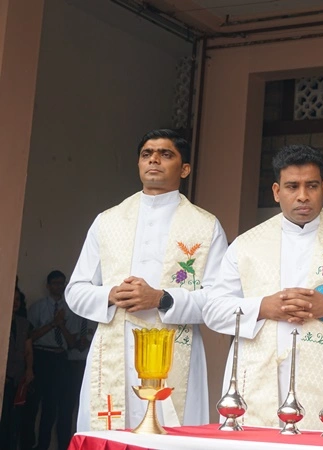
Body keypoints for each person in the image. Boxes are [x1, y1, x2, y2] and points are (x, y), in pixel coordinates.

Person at [204, 144, 323, 429]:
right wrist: (263, 307)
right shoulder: (245, 245)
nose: (303, 195)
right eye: (292, 186)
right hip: (256, 381)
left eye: (311, 186)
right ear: (277, 191)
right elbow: (213, 310)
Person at [65, 129, 228, 431]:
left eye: (166, 154)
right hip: (116, 348)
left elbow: (220, 301)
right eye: (146, 154)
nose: (154, 159)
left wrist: (162, 299)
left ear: (185, 169)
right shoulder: (107, 221)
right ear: (139, 164)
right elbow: (75, 291)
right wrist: (110, 295)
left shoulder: (206, 226)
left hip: (175, 349)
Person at [27, 270, 75, 450]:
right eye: (55, 283)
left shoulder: (70, 309)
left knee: (52, 406)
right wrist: (53, 323)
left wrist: (61, 325)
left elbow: (72, 342)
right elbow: (30, 336)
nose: (59, 287)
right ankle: (33, 445)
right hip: (41, 356)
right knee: (33, 404)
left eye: (62, 283)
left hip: (60, 358)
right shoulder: (38, 307)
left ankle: (48, 446)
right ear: (48, 286)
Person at [0, 287, 34, 450]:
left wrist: (29, 370)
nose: (15, 303)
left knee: (15, 419)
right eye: (12, 299)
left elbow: (28, 350)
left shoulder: (24, 323)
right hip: (3, 376)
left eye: (18, 300)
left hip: (18, 376)